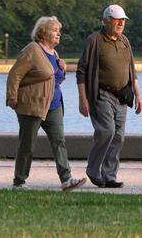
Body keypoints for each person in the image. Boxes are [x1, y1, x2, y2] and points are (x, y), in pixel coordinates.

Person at [6, 15, 86, 191]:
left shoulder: (55, 54)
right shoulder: (33, 50)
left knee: (60, 142)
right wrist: (12, 97)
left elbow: (55, 80)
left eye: (59, 31)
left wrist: (63, 70)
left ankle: (66, 180)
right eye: (55, 30)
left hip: (54, 105)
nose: (59, 34)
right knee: (27, 145)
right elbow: (15, 74)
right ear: (43, 32)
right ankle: (19, 182)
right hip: (32, 105)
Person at [76, 4, 142, 188]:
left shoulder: (125, 41)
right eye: (116, 20)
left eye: (123, 20)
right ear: (105, 21)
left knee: (119, 137)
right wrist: (83, 99)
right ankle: (93, 169)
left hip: (123, 96)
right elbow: (81, 72)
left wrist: (138, 95)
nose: (121, 23)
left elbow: (132, 70)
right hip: (102, 94)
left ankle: (109, 176)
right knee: (107, 131)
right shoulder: (94, 41)